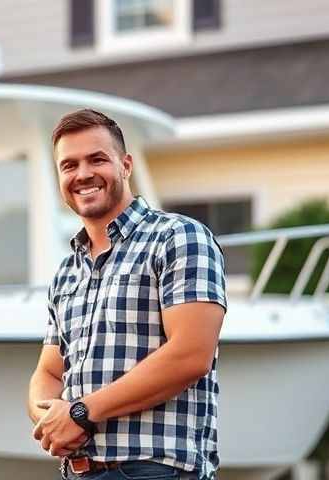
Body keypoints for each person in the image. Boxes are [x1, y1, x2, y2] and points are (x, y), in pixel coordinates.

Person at [27, 109, 227, 480]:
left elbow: (190, 355)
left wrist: (80, 412)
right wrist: (50, 418)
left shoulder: (178, 238)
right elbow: (49, 370)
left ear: (126, 165)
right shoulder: (67, 271)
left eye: (97, 159)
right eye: (69, 165)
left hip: (155, 471)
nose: (83, 174)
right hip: (80, 471)